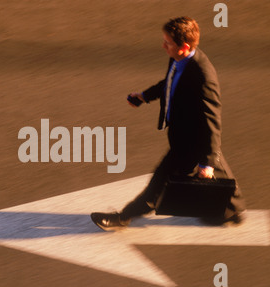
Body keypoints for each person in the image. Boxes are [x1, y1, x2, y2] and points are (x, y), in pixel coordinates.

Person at [91, 16, 245, 230]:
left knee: (160, 181)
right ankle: (232, 209)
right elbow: (170, 82)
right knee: (215, 165)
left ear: (184, 47)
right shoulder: (179, 59)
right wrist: (145, 96)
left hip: (190, 141)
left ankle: (123, 217)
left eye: (168, 43)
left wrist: (207, 163)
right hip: (183, 135)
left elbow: (212, 120)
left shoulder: (203, 76)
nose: (163, 46)